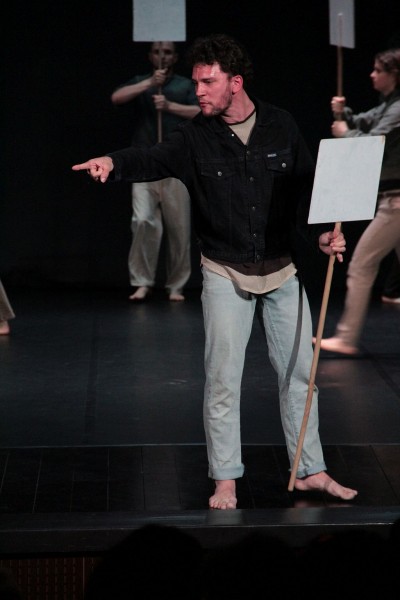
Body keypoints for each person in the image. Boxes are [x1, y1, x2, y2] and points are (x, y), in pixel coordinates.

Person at [73, 33, 358, 508]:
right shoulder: (195, 137)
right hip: (225, 270)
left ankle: (311, 469)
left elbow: (307, 195)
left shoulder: (280, 126)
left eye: (208, 82)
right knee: (224, 380)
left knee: (299, 376)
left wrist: (322, 238)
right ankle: (225, 478)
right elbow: (150, 158)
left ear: (235, 82)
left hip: (282, 270)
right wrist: (111, 162)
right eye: (197, 82)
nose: (198, 91)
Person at [317, 48, 400, 355]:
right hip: (391, 199)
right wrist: (344, 114)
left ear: (394, 74)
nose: (372, 75)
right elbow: (366, 121)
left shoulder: (398, 108)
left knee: (362, 265)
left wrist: (344, 132)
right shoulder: (389, 105)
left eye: (379, 70)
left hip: (396, 204)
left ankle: (347, 337)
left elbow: (374, 143)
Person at [111, 41, 200, 302]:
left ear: (175, 57)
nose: (163, 56)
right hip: (144, 163)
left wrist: (170, 106)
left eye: (168, 52)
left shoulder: (184, 85)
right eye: (158, 51)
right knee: (142, 221)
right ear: (151, 56)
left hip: (176, 165)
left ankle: (176, 285)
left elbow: (202, 111)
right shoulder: (142, 81)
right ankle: (142, 281)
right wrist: (150, 83)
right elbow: (117, 97)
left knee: (179, 228)